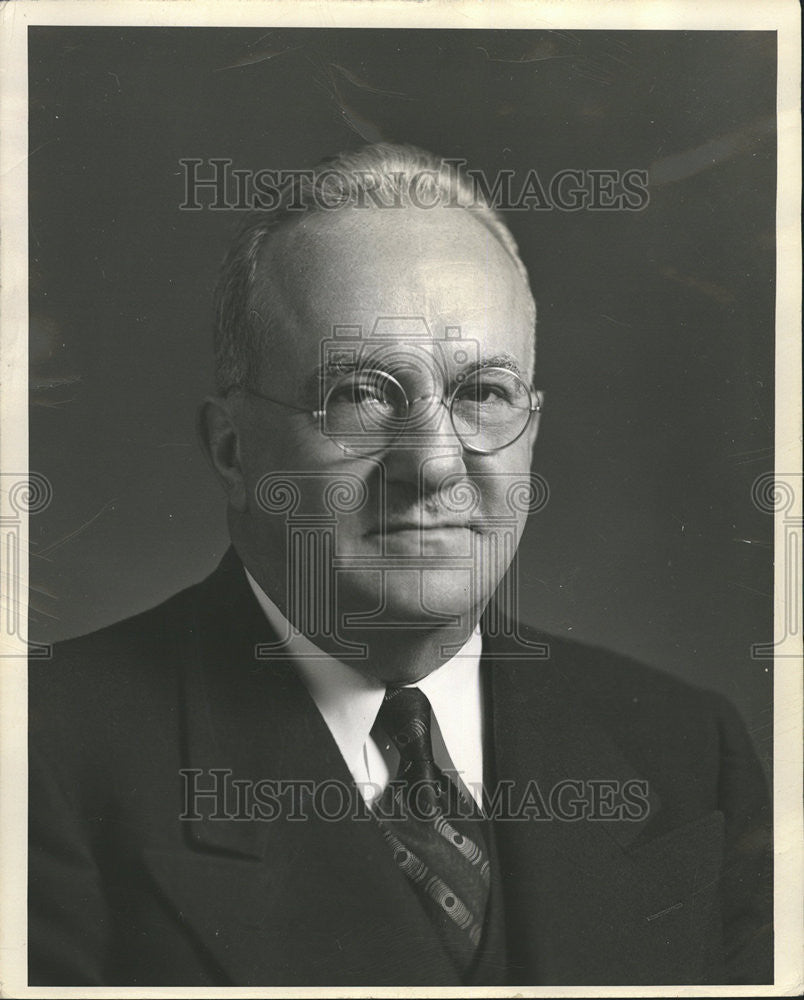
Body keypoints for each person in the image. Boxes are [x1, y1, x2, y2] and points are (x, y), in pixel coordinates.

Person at [28, 144, 772, 987]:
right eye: (362, 393)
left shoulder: (685, 752)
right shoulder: (41, 757)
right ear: (233, 450)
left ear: (531, 426)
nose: (434, 465)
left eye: (484, 393)